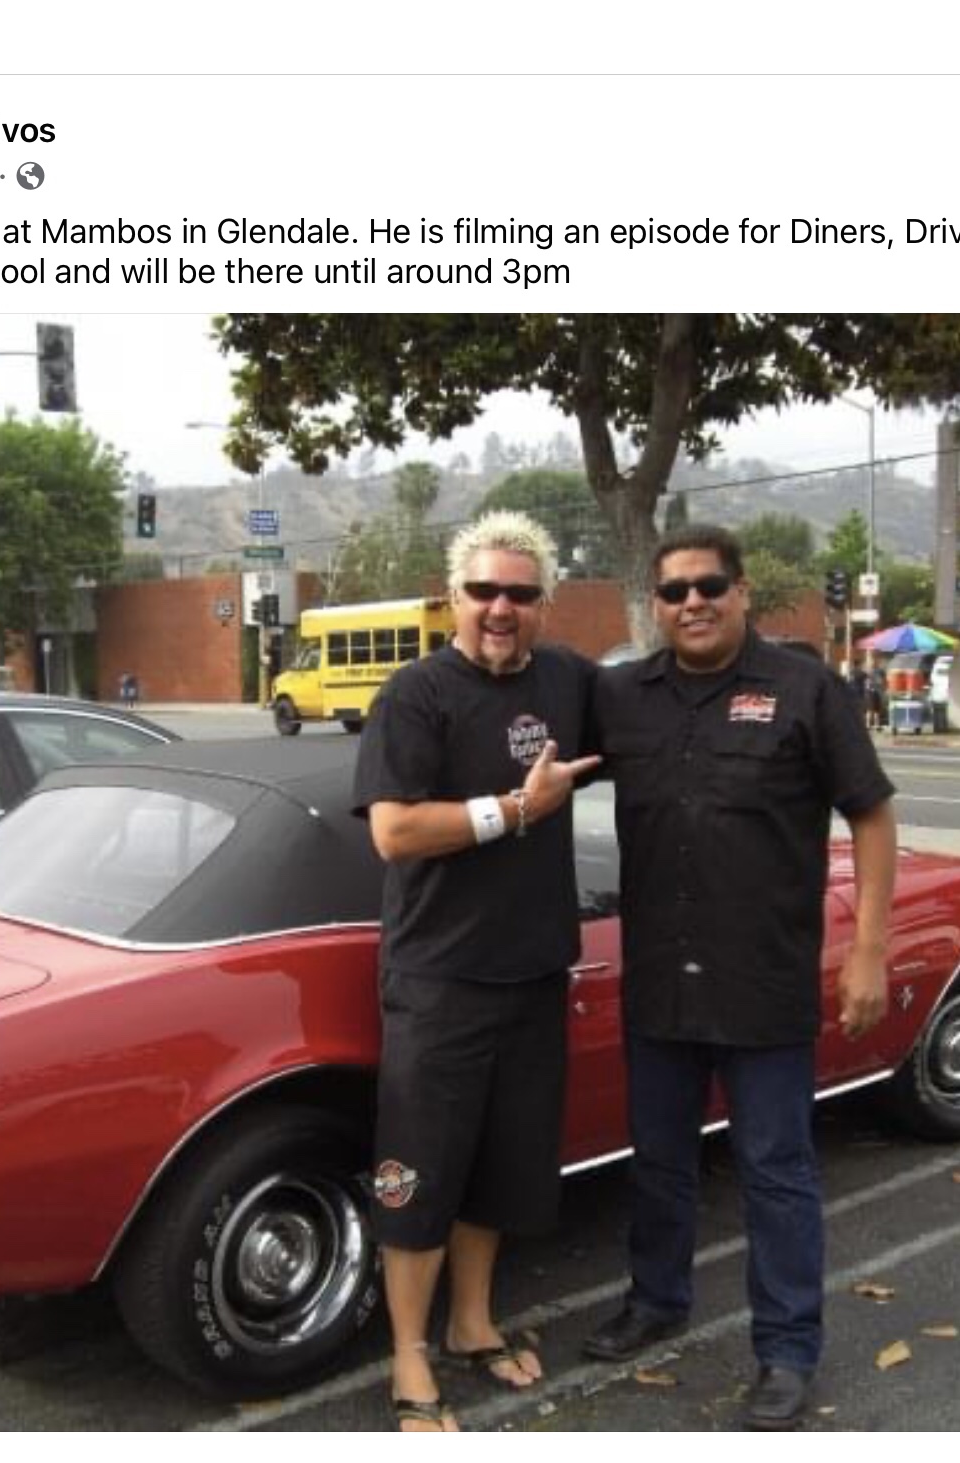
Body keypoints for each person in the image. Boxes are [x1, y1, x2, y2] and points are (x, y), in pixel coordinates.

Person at [584, 524, 897, 1431]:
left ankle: (787, 1349)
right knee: (659, 1160)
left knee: (775, 1170)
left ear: (742, 591)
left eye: (709, 585)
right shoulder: (621, 696)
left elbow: (872, 815)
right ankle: (656, 1300)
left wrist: (869, 949)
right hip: (659, 979)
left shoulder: (805, 688)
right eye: (674, 590)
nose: (693, 602)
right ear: (656, 604)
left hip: (763, 979)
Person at [352, 510, 599, 1432]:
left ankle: (470, 1322)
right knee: (420, 1170)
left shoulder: (567, 680)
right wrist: (516, 809)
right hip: (439, 979)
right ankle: (409, 1354)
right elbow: (395, 831)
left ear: (545, 603)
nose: (501, 608)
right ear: (453, 596)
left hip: (534, 972)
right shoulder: (416, 694)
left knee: (503, 1166)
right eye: (484, 590)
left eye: (521, 594)